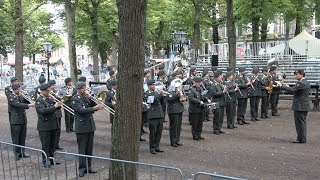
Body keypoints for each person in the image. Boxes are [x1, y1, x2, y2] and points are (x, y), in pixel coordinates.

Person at [71, 82, 103, 177]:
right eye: (83, 88)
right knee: (82, 149)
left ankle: (89, 166)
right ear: (79, 89)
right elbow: (81, 110)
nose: (85, 90)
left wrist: (92, 99)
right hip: (81, 127)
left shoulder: (85, 97)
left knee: (89, 148)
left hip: (90, 126)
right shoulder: (74, 99)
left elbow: (93, 108)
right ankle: (82, 168)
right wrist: (94, 107)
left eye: (85, 88)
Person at [276, 69, 310, 143]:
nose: (295, 75)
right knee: (301, 122)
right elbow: (293, 90)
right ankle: (301, 138)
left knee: (300, 123)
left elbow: (291, 90)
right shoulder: (305, 82)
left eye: (296, 74)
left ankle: (301, 139)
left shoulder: (301, 83)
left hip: (300, 106)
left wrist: (281, 85)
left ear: (301, 74)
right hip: (303, 105)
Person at [35, 83, 61, 168]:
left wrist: (58, 102)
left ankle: (51, 159)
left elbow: (57, 107)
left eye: (49, 90)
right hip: (44, 126)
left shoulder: (50, 98)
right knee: (45, 144)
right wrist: (54, 106)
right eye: (47, 91)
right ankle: (45, 160)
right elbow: (43, 111)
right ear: (42, 91)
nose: (49, 92)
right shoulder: (39, 100)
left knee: (52, 144)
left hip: (53, 124)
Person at [8, 84, 34, 160]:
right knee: (16, 138)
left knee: (22, 137)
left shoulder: (20, 96)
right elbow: (17, 104)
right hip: (15, 120)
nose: (20, 90)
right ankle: (17, 154)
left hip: (22, 119)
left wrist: (27, 96)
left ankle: (22, 152)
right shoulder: (11, 97)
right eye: (19, 89)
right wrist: (29, 105)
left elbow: (26, 101)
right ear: (15, 89)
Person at [144, 79, 165, 154]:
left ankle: (157, 146)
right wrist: (159, 94)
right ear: (149, 86)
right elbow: (152, 101)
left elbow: (161, 103)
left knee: (159, 132)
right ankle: (152, 147)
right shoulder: (146, 93)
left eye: (154, 85)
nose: (154, 86)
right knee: (153, 132)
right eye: (152, 85)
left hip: (159, 114)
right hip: (152, 115)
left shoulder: (156, 92)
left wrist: (162, 96)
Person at [167, 78, 186, 147]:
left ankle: (177, 140)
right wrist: (176, 94)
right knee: (173, 126)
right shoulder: (170, 91)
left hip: (179, 109)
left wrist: (184, 98)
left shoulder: (180, 90)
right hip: (173, 110)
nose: (178, 86)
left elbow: (184, 97)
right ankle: (173, 141)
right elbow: (169, 99)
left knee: (178, 126)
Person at [48, 80, 63, 150]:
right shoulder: (48, 94)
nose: (54, 86)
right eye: (53, 85)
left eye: (54, 85)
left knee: (58, 130)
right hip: (53, 113)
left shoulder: (56, 92)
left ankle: (57, 144)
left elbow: (61, 100)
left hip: (58, 113)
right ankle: (53, 145)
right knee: (54, 130)